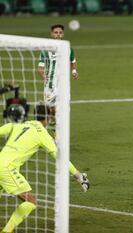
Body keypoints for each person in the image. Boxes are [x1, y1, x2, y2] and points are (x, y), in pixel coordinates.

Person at [0, 104, 89, 233]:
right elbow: (60, 159)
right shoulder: (42, 134)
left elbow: (4, 128)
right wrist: (78, 176)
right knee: (31, 201)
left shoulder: (20, 125)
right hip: (7, 169)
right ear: (47, 118)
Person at [37, 24, 79, 132]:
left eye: (60, 32)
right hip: (49, 87)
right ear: (52, 34)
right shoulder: (45, 51)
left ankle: (58, 136)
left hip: (64, 86)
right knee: (50, 110)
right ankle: (51, 124)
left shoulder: (68, 49)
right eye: (56, 32)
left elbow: (73, 62)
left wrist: (74, 71)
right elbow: (40, 68)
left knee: (63, 111)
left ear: (63, 34)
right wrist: (43, 75)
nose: (58, 34)